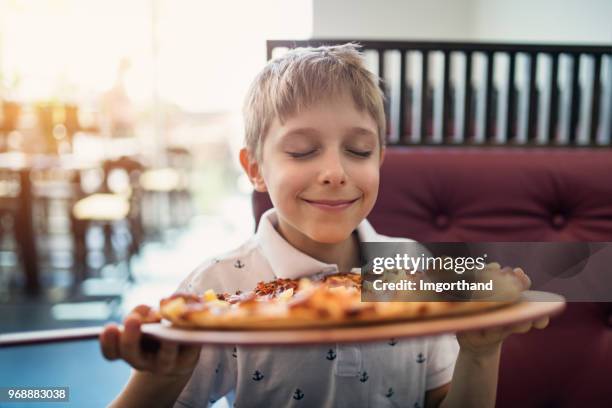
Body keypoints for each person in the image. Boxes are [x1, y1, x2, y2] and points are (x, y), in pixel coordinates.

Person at [100, 44, 549, 408]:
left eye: (357, 150)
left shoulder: (413, 267)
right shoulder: (213, 286)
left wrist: (481, 351)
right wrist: (160, 379)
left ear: (380, 160)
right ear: (255, 169)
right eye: (301, 151)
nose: (335, 171)